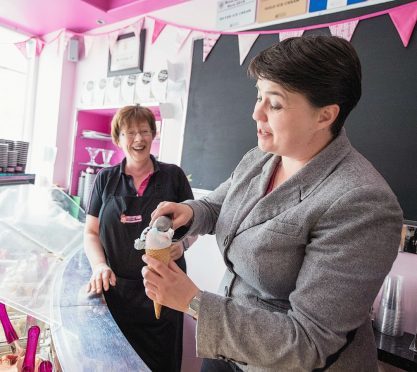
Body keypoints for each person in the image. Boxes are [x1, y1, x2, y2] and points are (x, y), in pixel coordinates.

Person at [142, 36, 403, 371]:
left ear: (325, 116)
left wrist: (193, 301)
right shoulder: (261, 158)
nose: (255, 113)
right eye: (258, 97)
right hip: (230, 344)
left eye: (275, 104)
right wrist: (190, 213)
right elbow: (220, 207)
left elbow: (308, 342)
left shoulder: (362, 202)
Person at [84, 105, 193, 372]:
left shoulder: (173, 176)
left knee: (161, 363)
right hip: (116, 292)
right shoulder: (105, 179)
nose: (138, 139)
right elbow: (90, 232)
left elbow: (194, 225)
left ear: (153, 135)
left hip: (165, 289)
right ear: (118, 139)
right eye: (130, 133)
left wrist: (183, 244)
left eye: (145, 131)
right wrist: (99, 266)